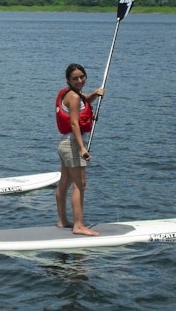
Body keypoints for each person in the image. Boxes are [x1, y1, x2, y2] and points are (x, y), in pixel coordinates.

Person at [54, 63, 104, 236]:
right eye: (75, 78)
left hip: (64, 143)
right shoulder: (74, 97)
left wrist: (94, 95)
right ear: (68, 80)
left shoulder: (71, 94)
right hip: (72, 145)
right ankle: (79, 225)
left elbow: (82, 102)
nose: (79, 80)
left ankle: (62, 220)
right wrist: (82, 148)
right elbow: (74, 123)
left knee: (65, 182)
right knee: (80, 185)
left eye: (82, 77)